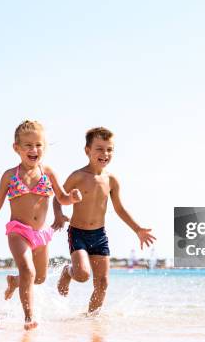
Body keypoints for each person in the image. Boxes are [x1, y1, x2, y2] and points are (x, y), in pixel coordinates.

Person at [0, 120, 82, 330]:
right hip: (18, 232)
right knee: (29, 271)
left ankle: (15, 282)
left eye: (39, 145)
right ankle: (29, 317)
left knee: (39, 278)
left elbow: (61, 197)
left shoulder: (48, 172)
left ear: (45, 147)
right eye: (28, 145)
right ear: (17, 148)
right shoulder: (10, 175)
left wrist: (73, 198)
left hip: (40, 235)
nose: (34, 149)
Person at [52, 127, 156, 314]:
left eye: (109, 149)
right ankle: (68, 271)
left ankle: (91, 320)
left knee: (102, 282)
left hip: (99, 235)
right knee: (83, 275)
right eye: (99, 148)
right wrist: (58, 214)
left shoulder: (112, 180)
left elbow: (119, 208)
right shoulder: (78, 176)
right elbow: (58, 197)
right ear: (87, 151)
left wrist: (138, 229)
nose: (105, 154)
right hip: (78, 233)